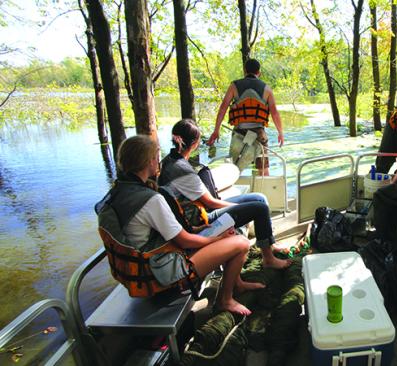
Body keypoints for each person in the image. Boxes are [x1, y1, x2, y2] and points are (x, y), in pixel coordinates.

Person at [98, 135, 259, 315]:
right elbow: (185, 242)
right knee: (240, 243)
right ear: (150, 161)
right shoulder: (150, 200)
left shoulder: (118, 193)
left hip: (142, 271)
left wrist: (202, 231)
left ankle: (237, 283)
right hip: (159, 274)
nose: (157, 161)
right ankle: (225, 300)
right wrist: (217, 238)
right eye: (156, 157)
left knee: (223, 236)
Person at [159, 119, 291, 269]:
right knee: (260, 208)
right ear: (195, 143)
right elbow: (211, 203)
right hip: (202, 220)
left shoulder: (168, 161)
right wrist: (241, 207)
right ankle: (269, 259)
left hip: (195, 212)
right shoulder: (182, 170)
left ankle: (269, 245)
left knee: (260, 198)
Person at [207, 58, 284, 176]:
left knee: (232, 168)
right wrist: (280, 133)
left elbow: (223, 108)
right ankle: (263, 192)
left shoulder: (234, 86)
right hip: (259, 134)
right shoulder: (267, 88)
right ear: (259, 72)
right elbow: (274, 113)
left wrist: (216, 130)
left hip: (239, 133)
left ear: (244, 71)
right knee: (263, 169)